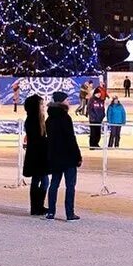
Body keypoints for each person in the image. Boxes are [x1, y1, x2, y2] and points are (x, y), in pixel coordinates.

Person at [45, 92, 82, 220]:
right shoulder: (65, 118)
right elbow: (70, 139)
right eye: (67, 100)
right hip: (68, 157)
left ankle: (51, 212)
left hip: (55, 156)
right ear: (61, 102)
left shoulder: (49, 119)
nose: (69, 102)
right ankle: (69, 213)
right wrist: (77, 156)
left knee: (54, 183)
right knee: (70, 185)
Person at [22, 95, 49, 216]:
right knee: (42, 180)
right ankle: (36, 206)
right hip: (37, 154)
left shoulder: (36, 119)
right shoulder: (33, 120)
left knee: (39, 180)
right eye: (41, 105)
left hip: (37, 154)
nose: (43, 107)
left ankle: (37, 206)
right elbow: (38, 139)